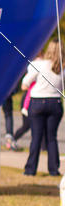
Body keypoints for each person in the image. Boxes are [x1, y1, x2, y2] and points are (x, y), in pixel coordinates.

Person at [22, 39, 64, 176]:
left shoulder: (39, 65)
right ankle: (54, 170)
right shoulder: (62, 69)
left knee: (36, 137)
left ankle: (30, 169)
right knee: (51, 138)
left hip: (38, 104)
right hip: (55, 104)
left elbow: (25, 83)